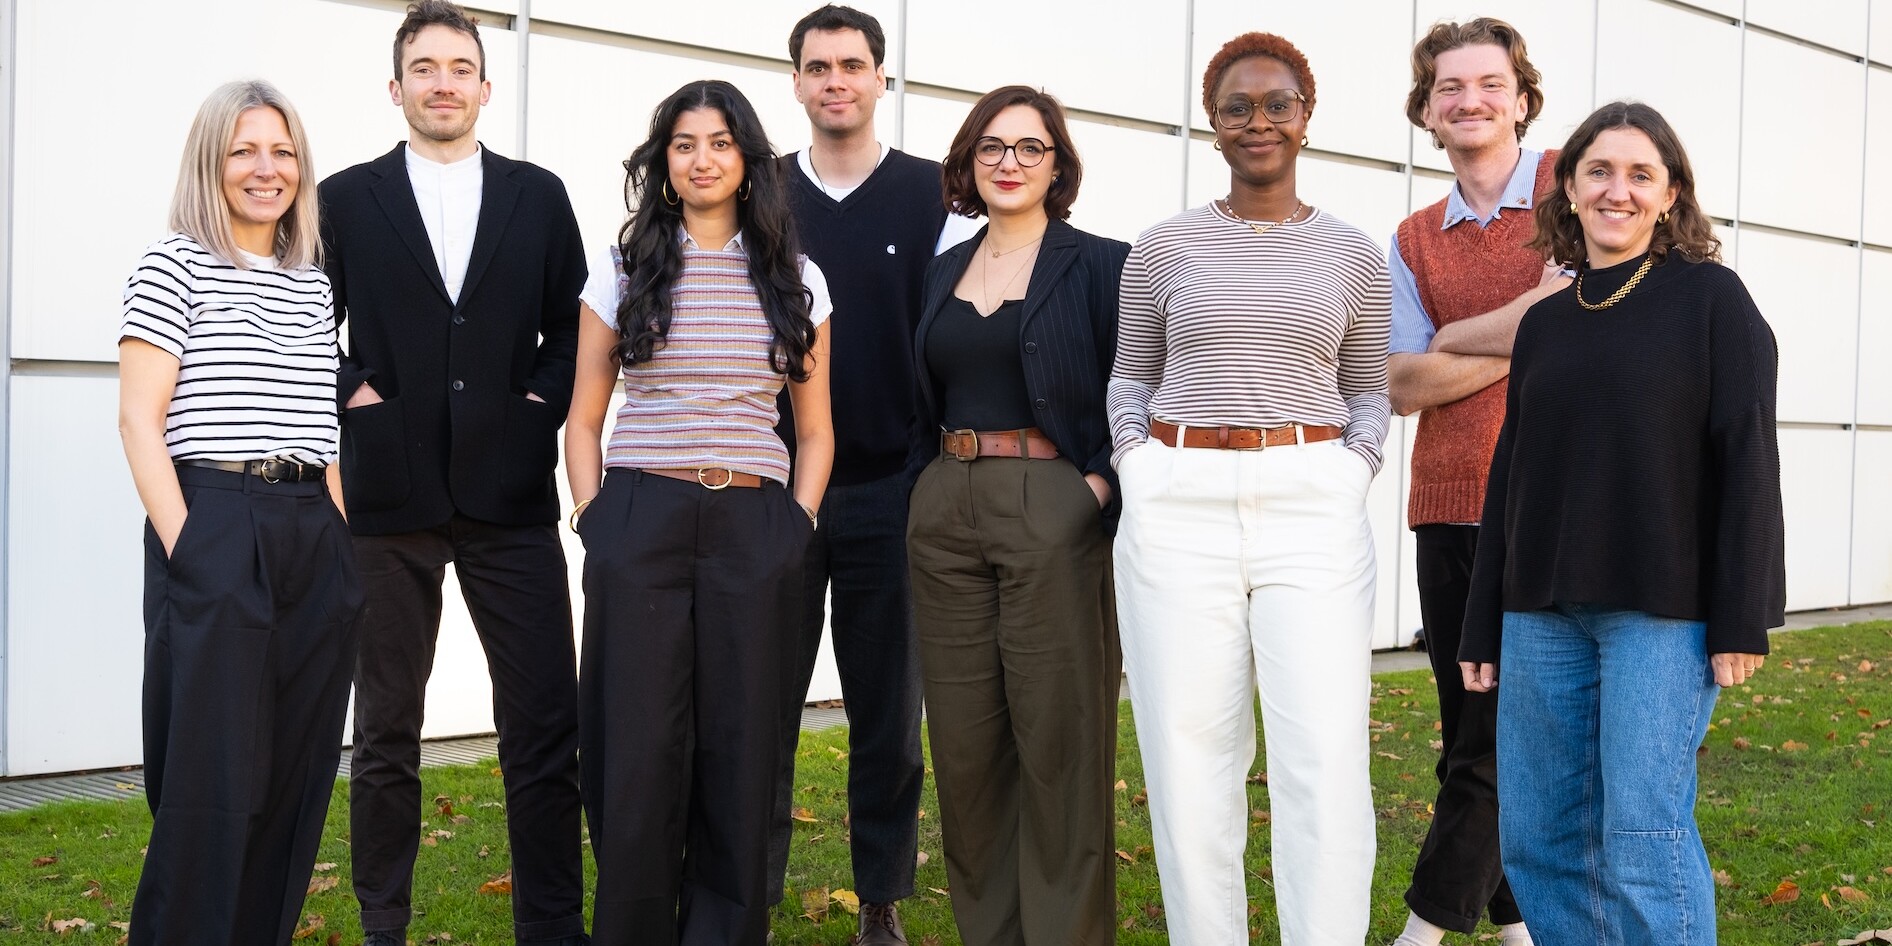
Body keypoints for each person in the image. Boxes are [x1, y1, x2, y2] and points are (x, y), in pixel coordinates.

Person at [1459, 100, 1782, 945]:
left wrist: (1742, 615)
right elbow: (1510, 478)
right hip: (1540, 615)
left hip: (1662, 612)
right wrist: (1482, 625)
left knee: (1641, 835)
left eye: (1642, 174)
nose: (1619, 190)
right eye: (1599, 170)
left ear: (1671, 194)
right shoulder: (1546, 323)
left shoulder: (1711, 299)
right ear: (1567, 188)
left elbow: (1748, 455)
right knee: (1540, 838)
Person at [1107, 32, 1390, 946]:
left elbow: (1369, 384)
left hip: (1312, 501)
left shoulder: (1353, 254)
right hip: (1177, 497)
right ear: (1213, 122)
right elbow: (1131, 373)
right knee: (1190, 760)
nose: (1257, 121)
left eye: (1276, 104)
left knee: (1324, 756)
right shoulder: (1161, 247)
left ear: (1307, 117)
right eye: (1238, 106)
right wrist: (1137, 464)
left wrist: (1353, 468)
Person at [319, 3, 588, 943]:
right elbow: (315, 321)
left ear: (483, 85)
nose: (442, 82)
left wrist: (533, 414)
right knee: (386, 731)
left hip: (509, 495)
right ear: (396, 89)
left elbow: (571, 336)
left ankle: (552, 926)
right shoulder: (345, 198)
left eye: (459, 67)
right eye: (423, 68)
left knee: (545, 726)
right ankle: (382, 921)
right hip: (389, 501)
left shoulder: (538, 194)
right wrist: (357, 400)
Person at [565, 79, 834, 945]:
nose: (703, 159)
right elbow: (583, 417)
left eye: (720, 143)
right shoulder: (621, 269)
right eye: (685, 144)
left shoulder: (798, 279)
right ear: (664, 161)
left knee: (740, 746)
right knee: (636, 751)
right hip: (638, 518)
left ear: (748, 161)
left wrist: (794, 528)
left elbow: (817, 431)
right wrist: (593, 520)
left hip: (753, 526)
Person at [119, 79, 360, 946]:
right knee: (210, 781)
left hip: (312, 529)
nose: (268, 170)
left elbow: (320, 425)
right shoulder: (172, 262)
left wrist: (340, 543)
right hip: (219, 515)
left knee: (293, 777)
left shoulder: (309, 282)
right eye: (245, 151)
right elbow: (140, 420)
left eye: (284, 151)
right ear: (212, 163)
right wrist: (193, 547)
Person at [767, 9, 979, 940]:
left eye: (852, 64)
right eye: (818, 67)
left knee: (888, 714)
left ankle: (882, 901)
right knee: (755, 708)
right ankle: (749, 894)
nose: (835, 81)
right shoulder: (759, 191)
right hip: (768, 491)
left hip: (894, 484)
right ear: (800, 83)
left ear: (881, 78)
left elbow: (960, 335)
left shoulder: (937, 195)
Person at [906, 85, 1127, 946]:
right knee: (966, 751)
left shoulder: (1103, 263)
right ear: (968, 162)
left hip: (1053, 501)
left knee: (1059, 743)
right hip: (947, 504)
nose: (1009, 163)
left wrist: (1098, 487)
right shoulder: (941, 267)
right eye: (992, 148)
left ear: (1058, 165)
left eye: (1030, 149)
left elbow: (1139, 385)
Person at [1384, 18, 1559, 946]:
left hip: (1552, 503)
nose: (1470, 101)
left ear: (1522, 98)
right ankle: (1517, 923)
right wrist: (1528, 325)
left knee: (1501, 732)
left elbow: (1597, 313)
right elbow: (1402, 383)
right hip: (1448, 501)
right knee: (1469, 730)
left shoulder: (1581, 186)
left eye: (1489, 83)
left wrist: (1460, 334)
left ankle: (1426, 925)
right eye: (1449, 88)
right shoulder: (1413, 237)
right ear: (1427, 111)